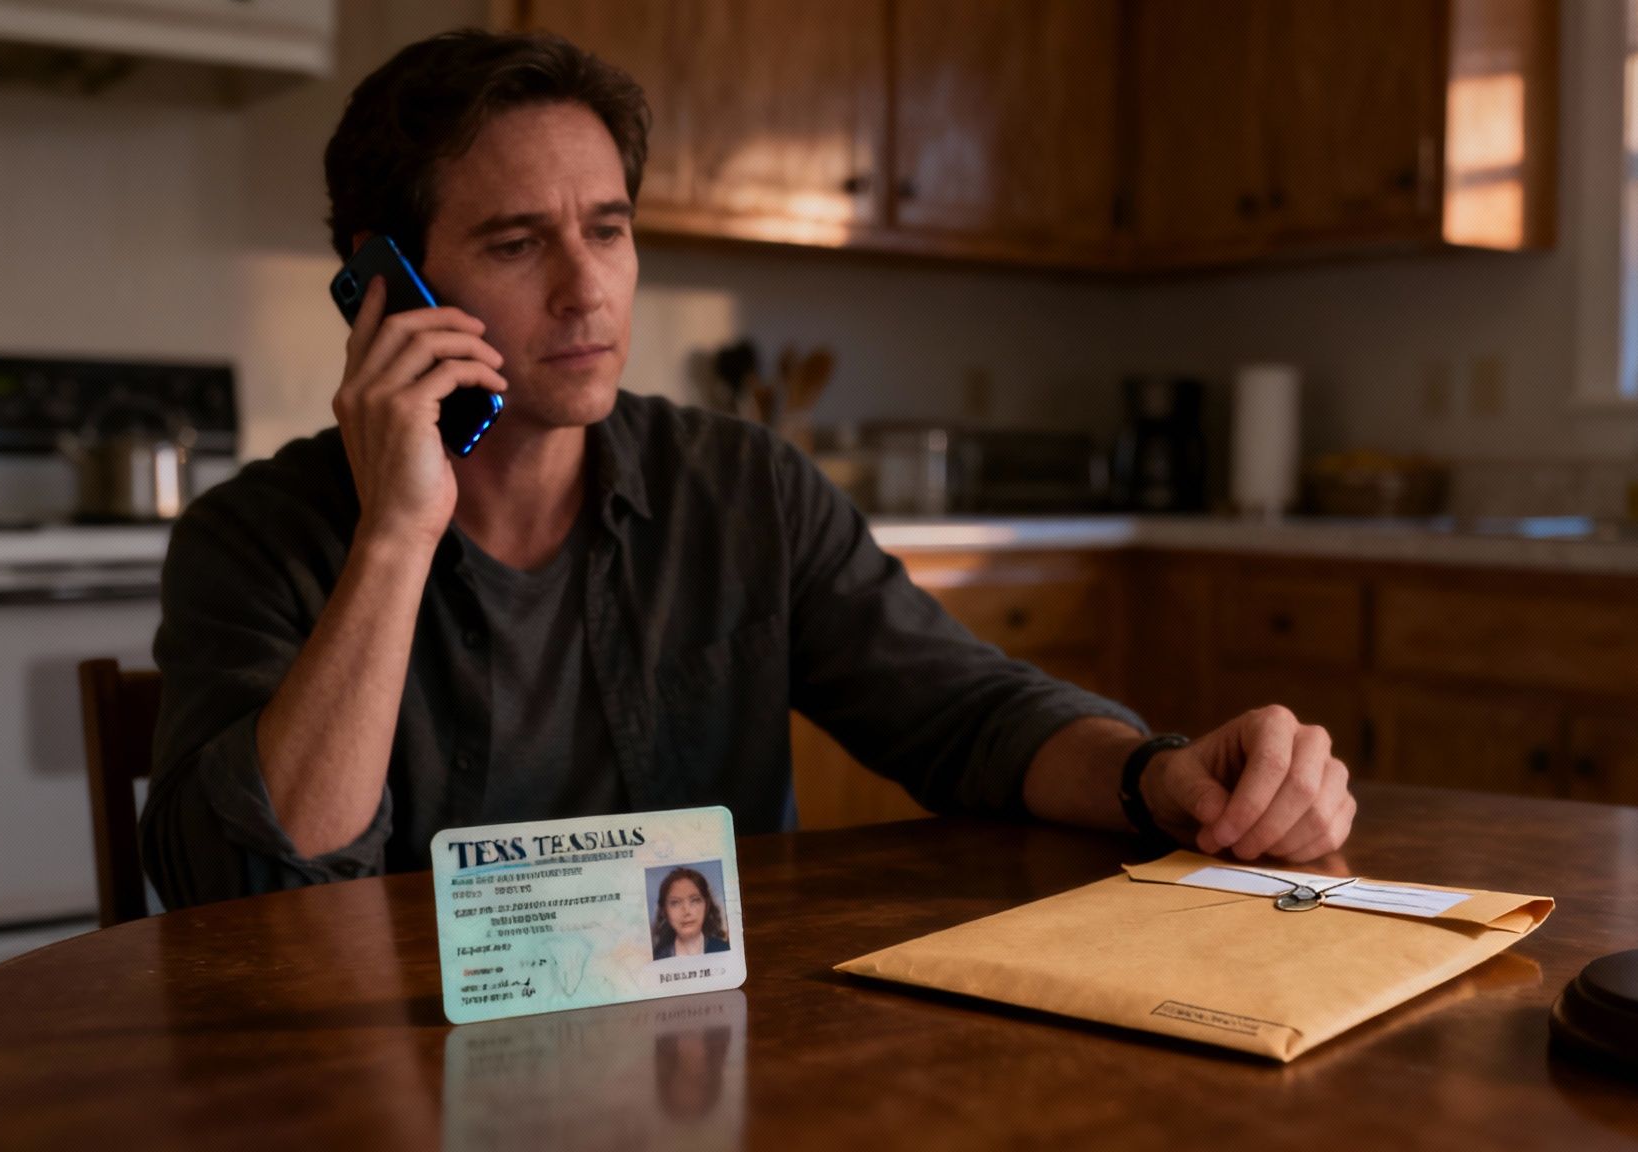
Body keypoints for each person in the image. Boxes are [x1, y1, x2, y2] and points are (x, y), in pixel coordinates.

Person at [140, 28, 1354, 911]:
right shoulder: (256, 536)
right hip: (374, 1077)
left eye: (607, 230)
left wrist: (1162, 780)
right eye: (517, 243)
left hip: (705, 1062)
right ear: (384, 285)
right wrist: (397, 537)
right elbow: (250, 879)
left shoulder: (740, 485)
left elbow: (962, 712)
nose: (587, 290)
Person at [650, 867, 730, 961]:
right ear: (664, 911)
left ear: (707, 905)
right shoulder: (657, 959)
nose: (686, 911)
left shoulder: (724, 950)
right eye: (675, 903)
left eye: (695, 900)